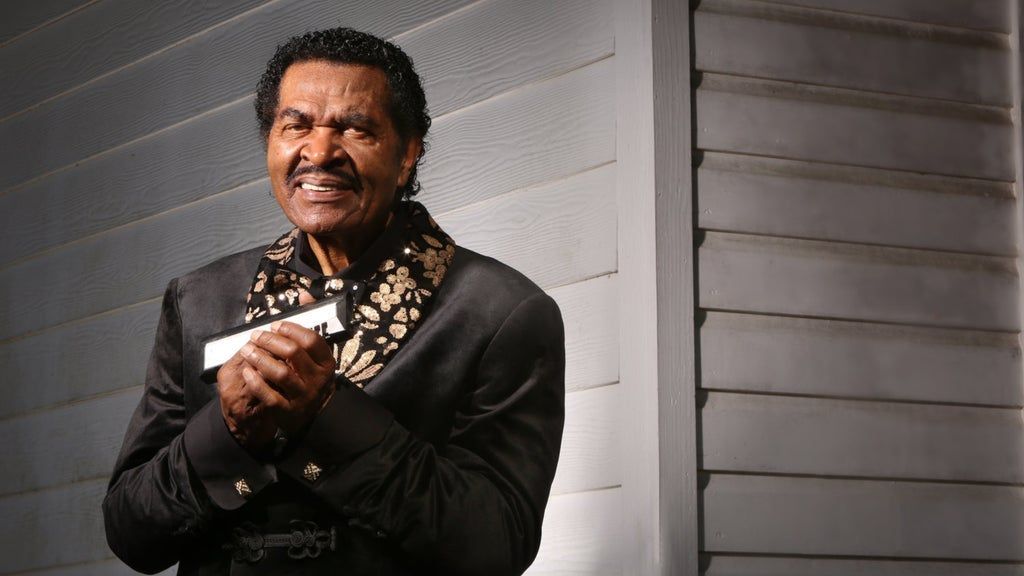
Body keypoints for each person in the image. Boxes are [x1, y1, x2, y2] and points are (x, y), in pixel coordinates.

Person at [103, 27, 565, 575]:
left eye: (355, 128)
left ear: (407, 154)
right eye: (296, 125)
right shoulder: (200, 301)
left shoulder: (500, 312)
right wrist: (227, 435)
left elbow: (496, 544)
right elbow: (130, 532)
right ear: (270, 142)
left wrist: (327, 418)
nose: (319, 152)